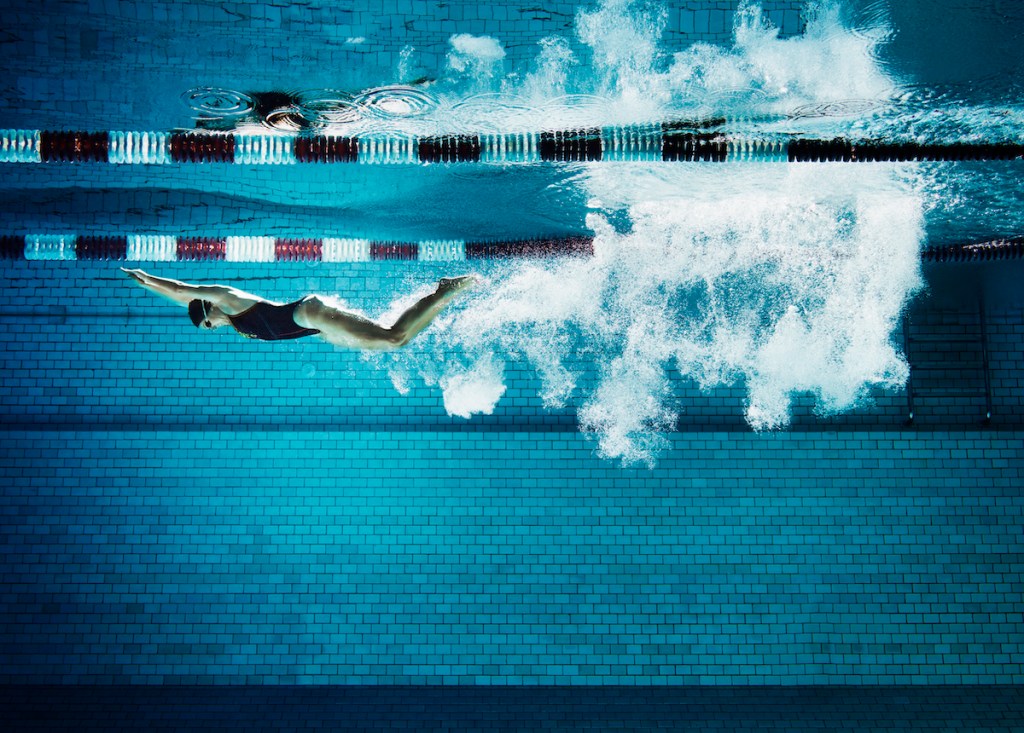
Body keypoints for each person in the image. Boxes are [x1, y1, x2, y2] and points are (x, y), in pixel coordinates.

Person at [122, 268, 476, 349]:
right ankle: (441, 298)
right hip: (318, 328)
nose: (214, 328)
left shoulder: (228, 300)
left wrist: (149, 281)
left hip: (310, 314)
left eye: (208, 325)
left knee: (393, 338)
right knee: (394, 343)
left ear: (207, 309)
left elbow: (184, 291)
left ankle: (444, 292)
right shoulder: (238, 324)